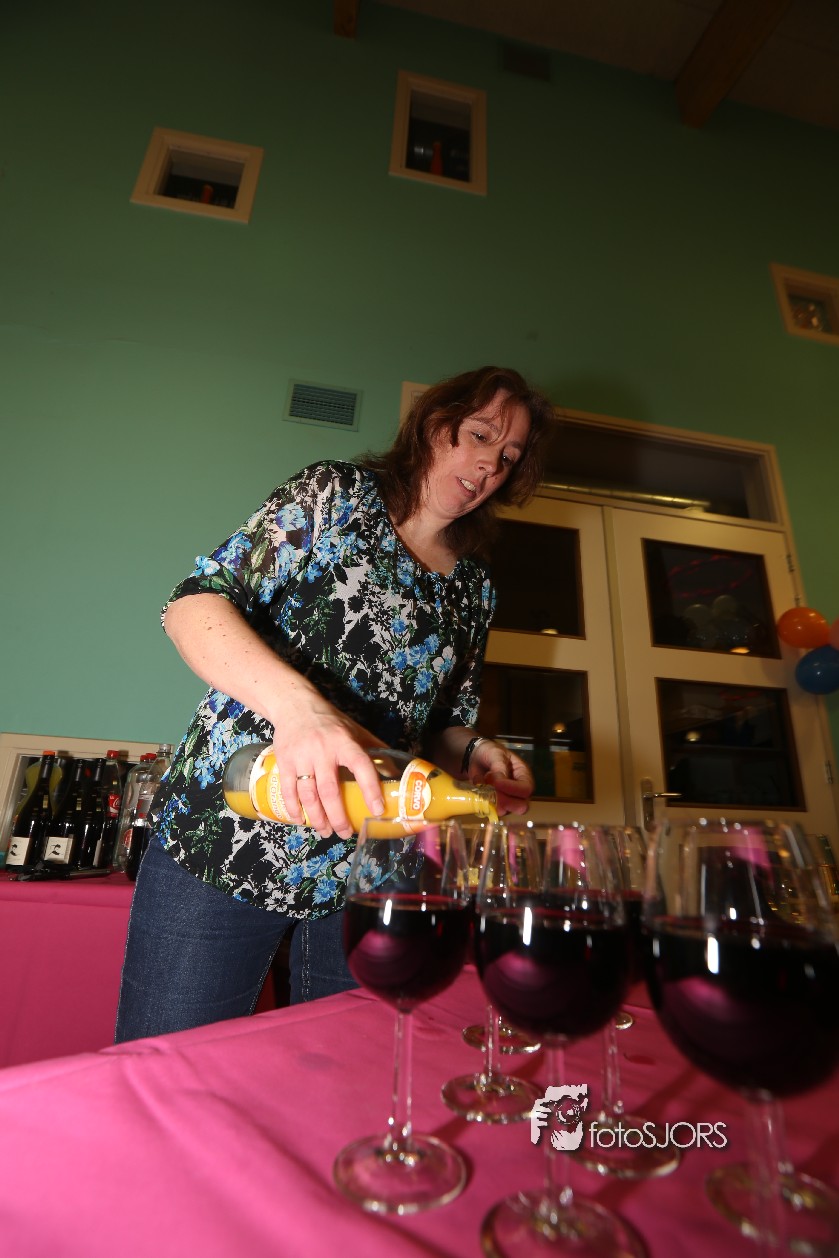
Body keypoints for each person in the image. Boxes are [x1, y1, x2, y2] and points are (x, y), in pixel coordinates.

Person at [115, 365, 554, 1042]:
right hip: (227, 835)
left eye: (509, 457)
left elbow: (439, 724)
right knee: (165, 1064)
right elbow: (194, 605)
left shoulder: (474, 587)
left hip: (365, 867)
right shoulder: (336, 496)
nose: (489, 465)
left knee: (337, 1072)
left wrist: (474, 750)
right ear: (433, 425)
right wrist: (305, 712)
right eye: (478, 436)